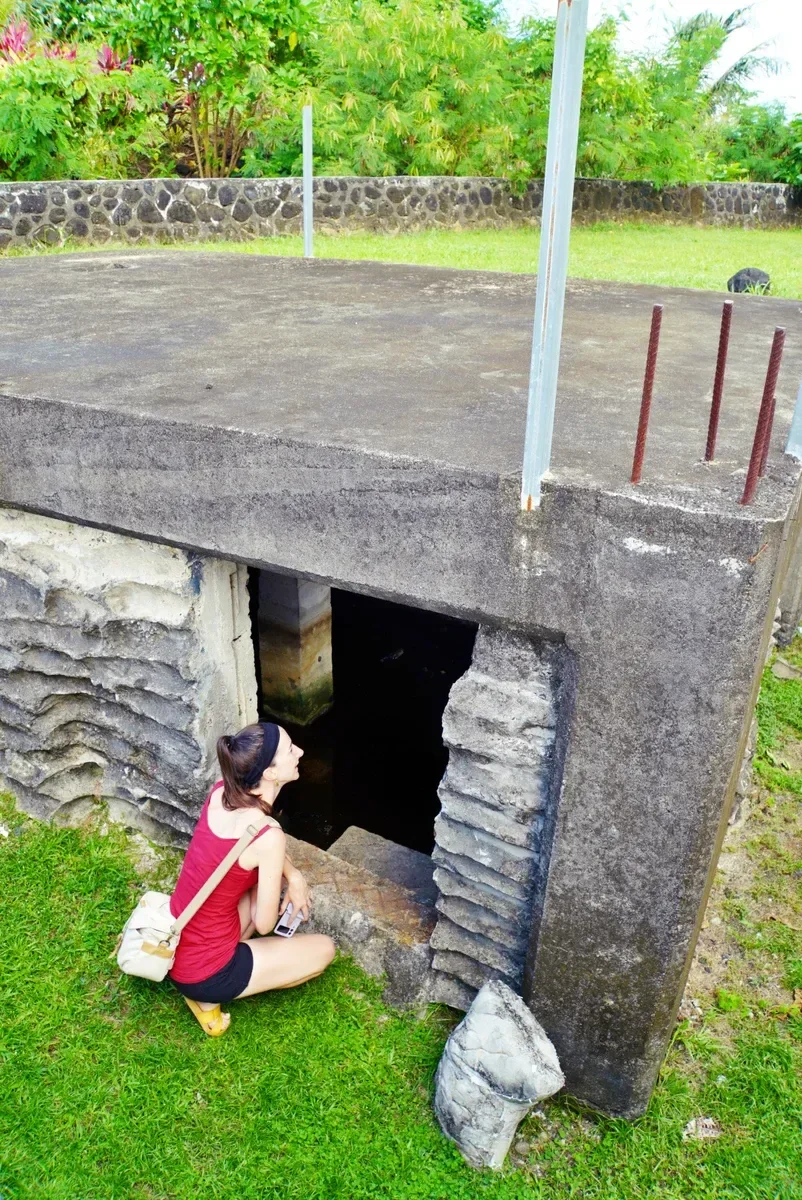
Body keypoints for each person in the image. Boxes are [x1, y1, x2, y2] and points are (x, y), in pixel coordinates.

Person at [168, 720, 337, 1035]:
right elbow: (264, 924)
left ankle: (212, 977)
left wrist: (294, 876)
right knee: (324, 949)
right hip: (206, 973)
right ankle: (206, 1002)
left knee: (249, 881)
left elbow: (251, 848)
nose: (300, 752)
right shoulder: (268, 835)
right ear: (270, 774)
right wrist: (281, 881)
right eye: (290, 750)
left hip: (175, 943)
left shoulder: (221, 792)